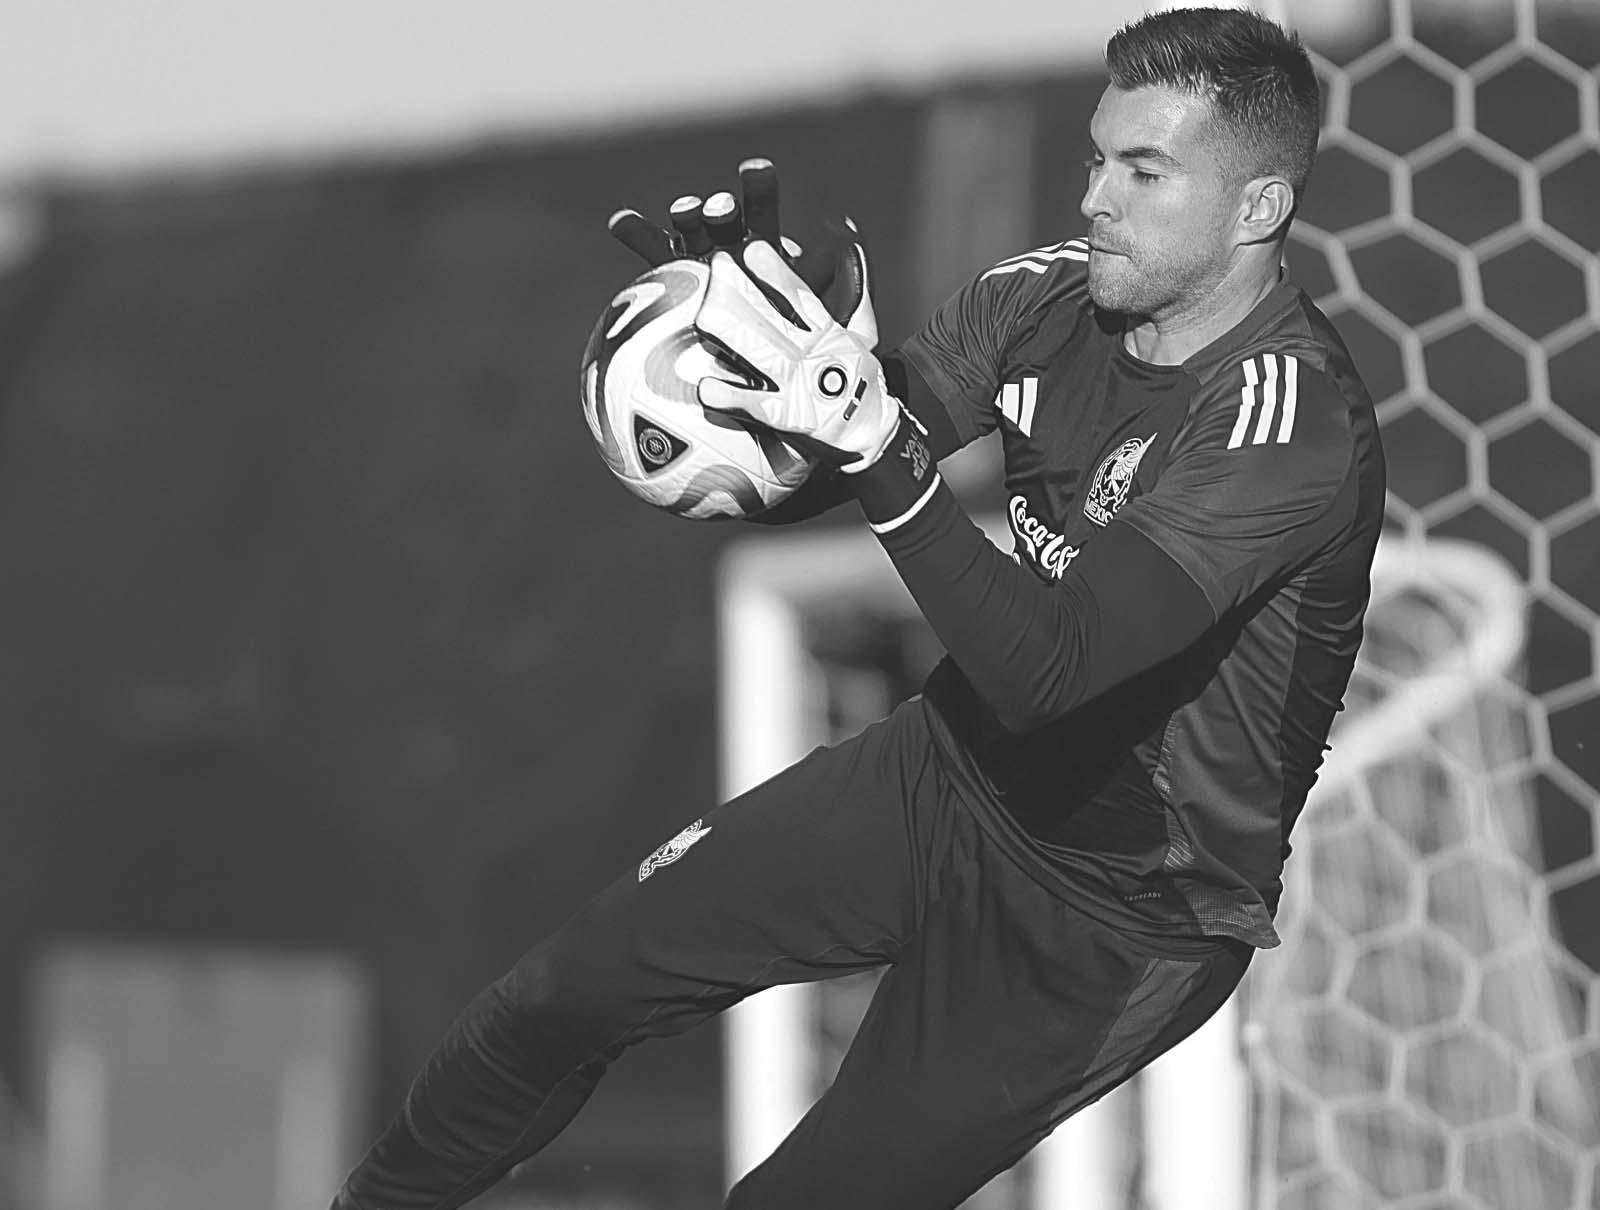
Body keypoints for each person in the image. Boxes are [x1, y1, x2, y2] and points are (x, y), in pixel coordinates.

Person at [331, 7, 1385, 1208]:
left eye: (1144, 171)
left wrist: (874, 442)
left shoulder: (1285, 424)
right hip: (946, 776)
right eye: (1097, 156)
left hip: (1116, 913)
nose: (1095, 196)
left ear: (1257, 208)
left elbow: (1051, 669)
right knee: (561, 995)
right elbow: (847, 455)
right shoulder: (1039, 298)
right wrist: (753, 377)